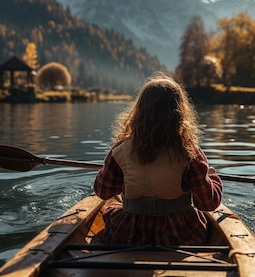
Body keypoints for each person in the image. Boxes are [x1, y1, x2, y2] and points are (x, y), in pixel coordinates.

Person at [93, 73, 223, 246]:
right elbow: (208, 203)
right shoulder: (188, 152)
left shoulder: (120, 150)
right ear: (179, 112)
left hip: (128, 235)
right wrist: (212, 177)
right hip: (180, 235)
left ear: (139, 111)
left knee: (111, 210)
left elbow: (103, 192)